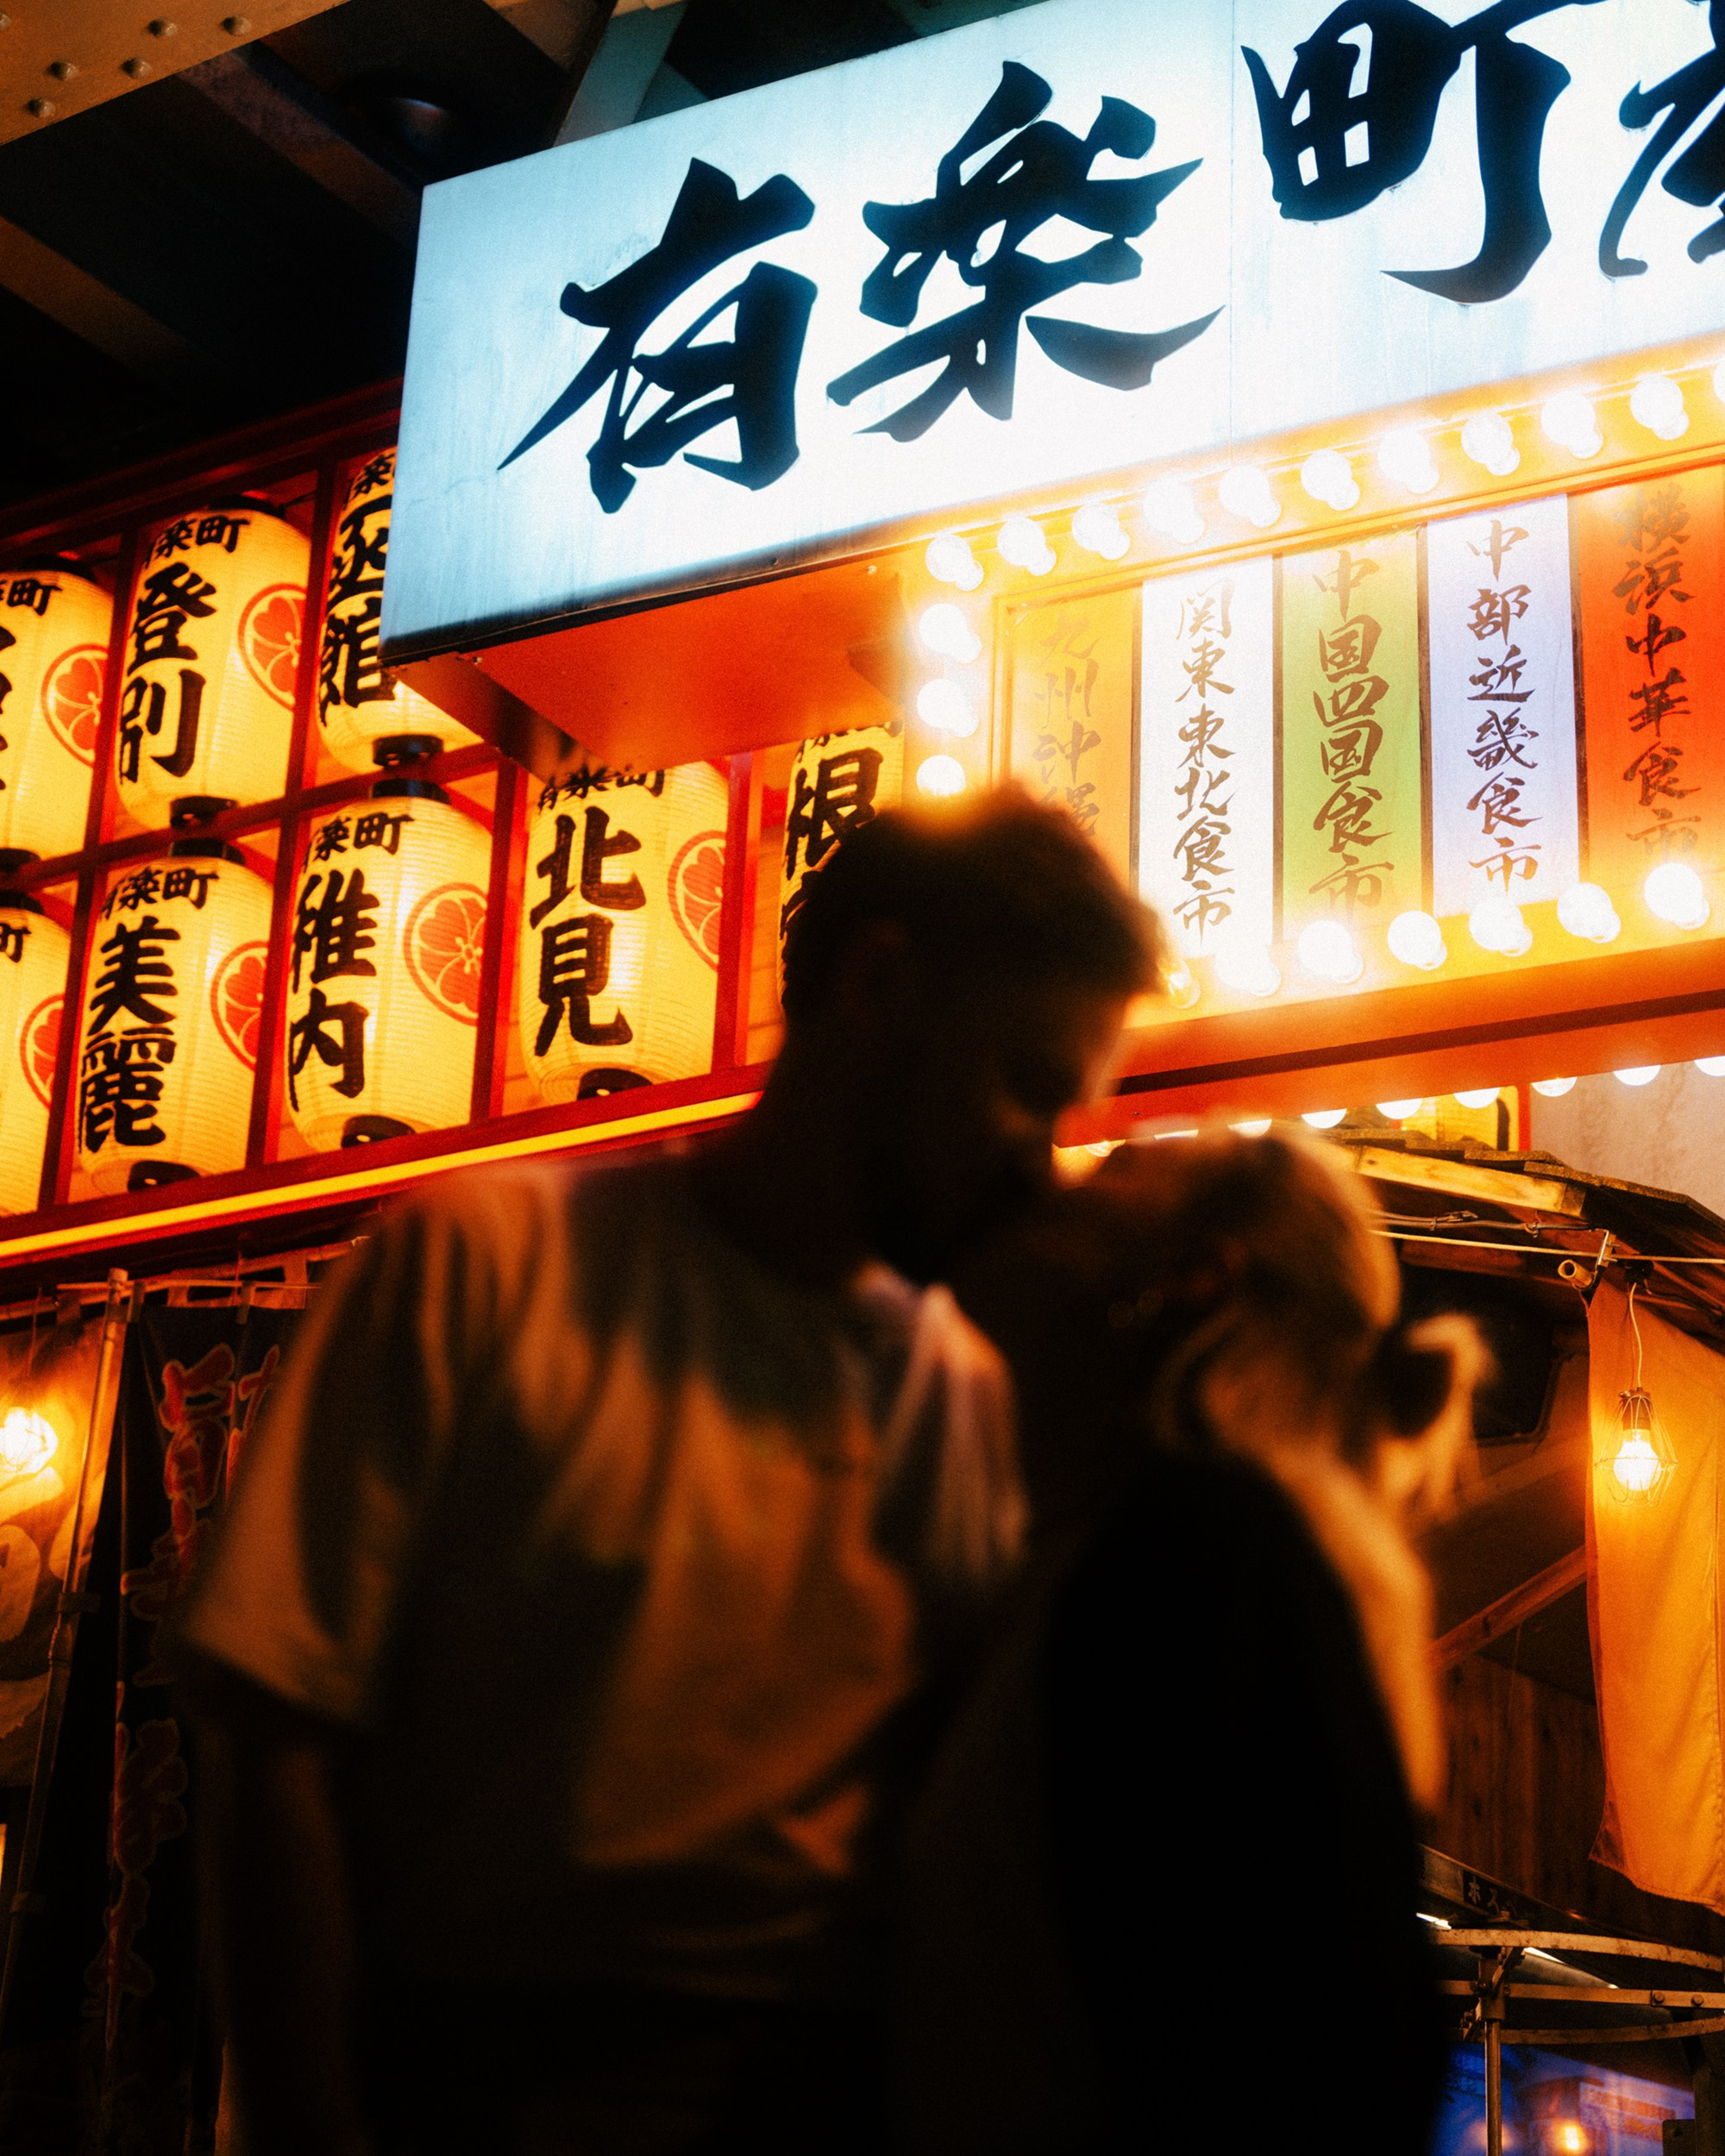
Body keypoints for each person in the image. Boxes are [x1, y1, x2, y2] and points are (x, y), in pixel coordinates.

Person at [179, 787, 1161, 2156]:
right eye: (1026, 1088)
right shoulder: (483, 1261)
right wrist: (309, 2120)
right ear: (879, 987)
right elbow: (273, 1726)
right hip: (476, 2074)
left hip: (819, 2090)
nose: (1038, 1167)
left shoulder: (956, 1387)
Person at [897, 1129, 1484, 2155]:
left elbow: (1275, 2054)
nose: (1042, 1175)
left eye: (1106, 1171)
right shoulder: (1166, 1552)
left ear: (1190, 1277)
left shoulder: (1195, 1557)